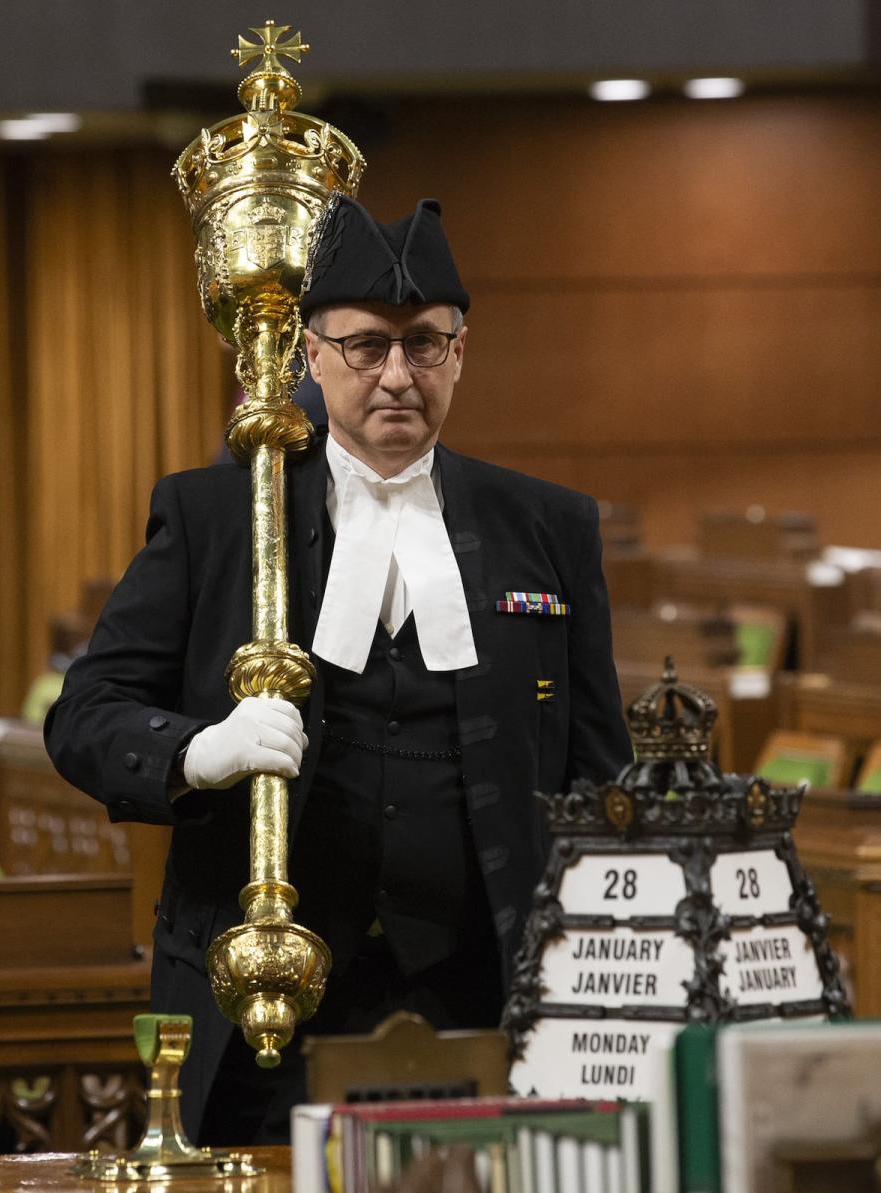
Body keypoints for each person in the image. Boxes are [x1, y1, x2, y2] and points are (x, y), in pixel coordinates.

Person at [44, 195, 632, 1145]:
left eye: (427, 345)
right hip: (263, 1007)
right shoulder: (218, 515)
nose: (398, 375)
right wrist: (197, 751)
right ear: (311, 356)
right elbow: (83, 715)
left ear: (461, 351)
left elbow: (599, 769)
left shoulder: (549, 527)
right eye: (366, 346)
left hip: (487, 999)